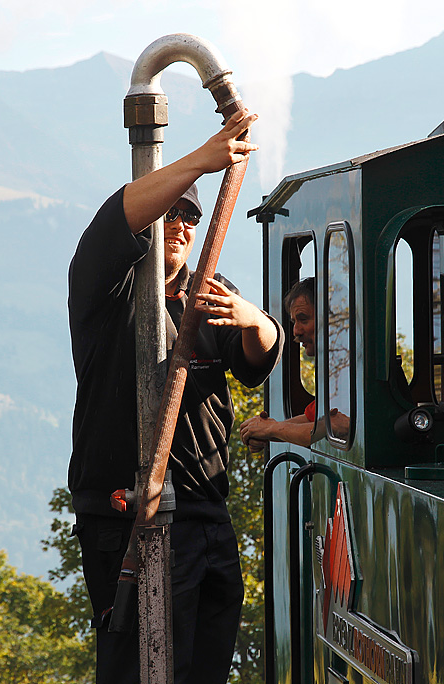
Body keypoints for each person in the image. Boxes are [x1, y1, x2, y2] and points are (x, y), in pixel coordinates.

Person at [67, 110, 282, 684]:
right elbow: (114, 219)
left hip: (206, 508)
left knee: (203, 666)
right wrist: (202, 163)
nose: (183, 226)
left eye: (192, 216)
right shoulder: (106, 288)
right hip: (129, 510)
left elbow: (258, 360)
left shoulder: (209, 289)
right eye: (171, 214)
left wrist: (256, 320)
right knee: (139, 666)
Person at [239, 277, 348, 448]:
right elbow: (311, 419)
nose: (296, 331)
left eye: (303, 319)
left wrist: (273, 429)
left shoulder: (350, 369)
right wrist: (263, 430)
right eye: (294, 322)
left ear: (332, 319)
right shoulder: (337, 369)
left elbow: (334, 425)